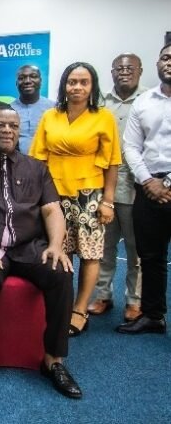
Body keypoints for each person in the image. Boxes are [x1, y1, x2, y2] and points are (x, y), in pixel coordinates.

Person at [0, 108, 81, 399]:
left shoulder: (37, 168)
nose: (7, 129)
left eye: (13, 125)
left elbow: (52, 210)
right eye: (0, 125)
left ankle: (54, 360)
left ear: (19, 129)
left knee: (61, 273)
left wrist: (56, 245)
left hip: (28, 246)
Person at [29, 62, 121, 337]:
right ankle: (62, 304)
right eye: (72, 82)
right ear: (64, 85)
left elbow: (113, 163)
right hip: (54, 194)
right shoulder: (50, 116)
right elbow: (38, 158)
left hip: (89, 195)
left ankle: (80, 310)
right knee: (61, 251)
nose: (77, 87)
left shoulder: (103, 117)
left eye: (83, 82)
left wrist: (108, 201)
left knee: (90, 254)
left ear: (92, 86)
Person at [118, 43, 171, 335]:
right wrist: (149, 181)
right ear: (157, 63)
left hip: (165, 185)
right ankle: (153, 315)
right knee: (150, 256)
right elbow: (131, 146)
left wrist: (167, 183)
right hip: (148, 187)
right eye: (165, 57)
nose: (169, 62)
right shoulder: (144, 101)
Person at [89, 53, 146, 321]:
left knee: (136, 250)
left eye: (130, 68)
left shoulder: (149, 99)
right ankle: (103, 296)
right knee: (103, 247)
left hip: (137, 187)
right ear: (111, 72)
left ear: (140, 70)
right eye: (119, 68)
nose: (124, 72)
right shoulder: (99, 102)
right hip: (103, 187)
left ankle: (134, 301)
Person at [9, 65, 55, 153]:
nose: (27, 81)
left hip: (46, 163)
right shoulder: (9, 109)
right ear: (16, 84)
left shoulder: (54, 108)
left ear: (40, 81)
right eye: (22, 78)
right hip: (16, 164)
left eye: (33, 76)